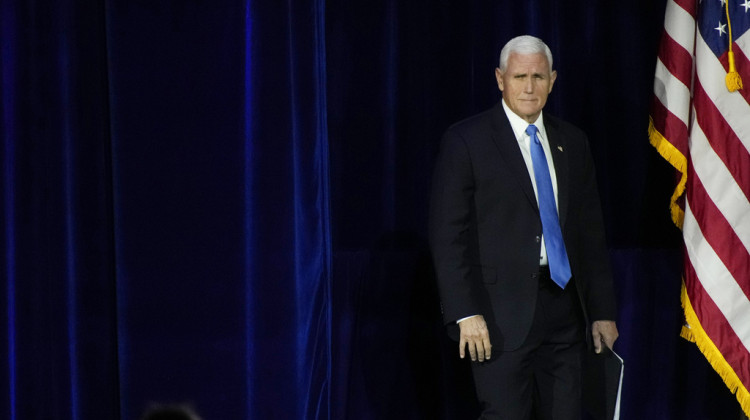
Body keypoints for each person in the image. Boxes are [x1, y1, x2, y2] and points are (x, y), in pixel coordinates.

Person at [429, 35, 618, 419]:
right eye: (519, 77)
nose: (529, 87)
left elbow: (590, 234)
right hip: (499, 316)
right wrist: (465, 312)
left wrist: (601, 310)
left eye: (538, 76)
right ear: (500, 79)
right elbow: (448, 237)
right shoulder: (466, 141)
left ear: (553, 80)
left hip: (566, 310)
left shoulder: (573, 141)